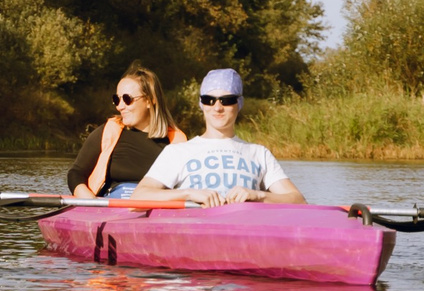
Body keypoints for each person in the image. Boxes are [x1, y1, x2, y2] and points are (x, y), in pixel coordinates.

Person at [133, 68, 306, 205]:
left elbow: (298, 200)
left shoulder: (259, 153)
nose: (217, 107)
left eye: (227, 100)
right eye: (209, 100)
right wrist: (188, 194)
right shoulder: (177, 152)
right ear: (202, 104)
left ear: (239, 104)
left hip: (244, 237)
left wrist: (258, 195)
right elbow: (138, 197)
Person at [66, 64, 187, 197]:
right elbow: (76, 173)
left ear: (149, 100)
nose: (120, 107)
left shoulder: (176, 142)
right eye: (116, 99)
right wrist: (90, 201)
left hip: (155, 204)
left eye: (127, 99)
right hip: (109, 204)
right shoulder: (108, 132)